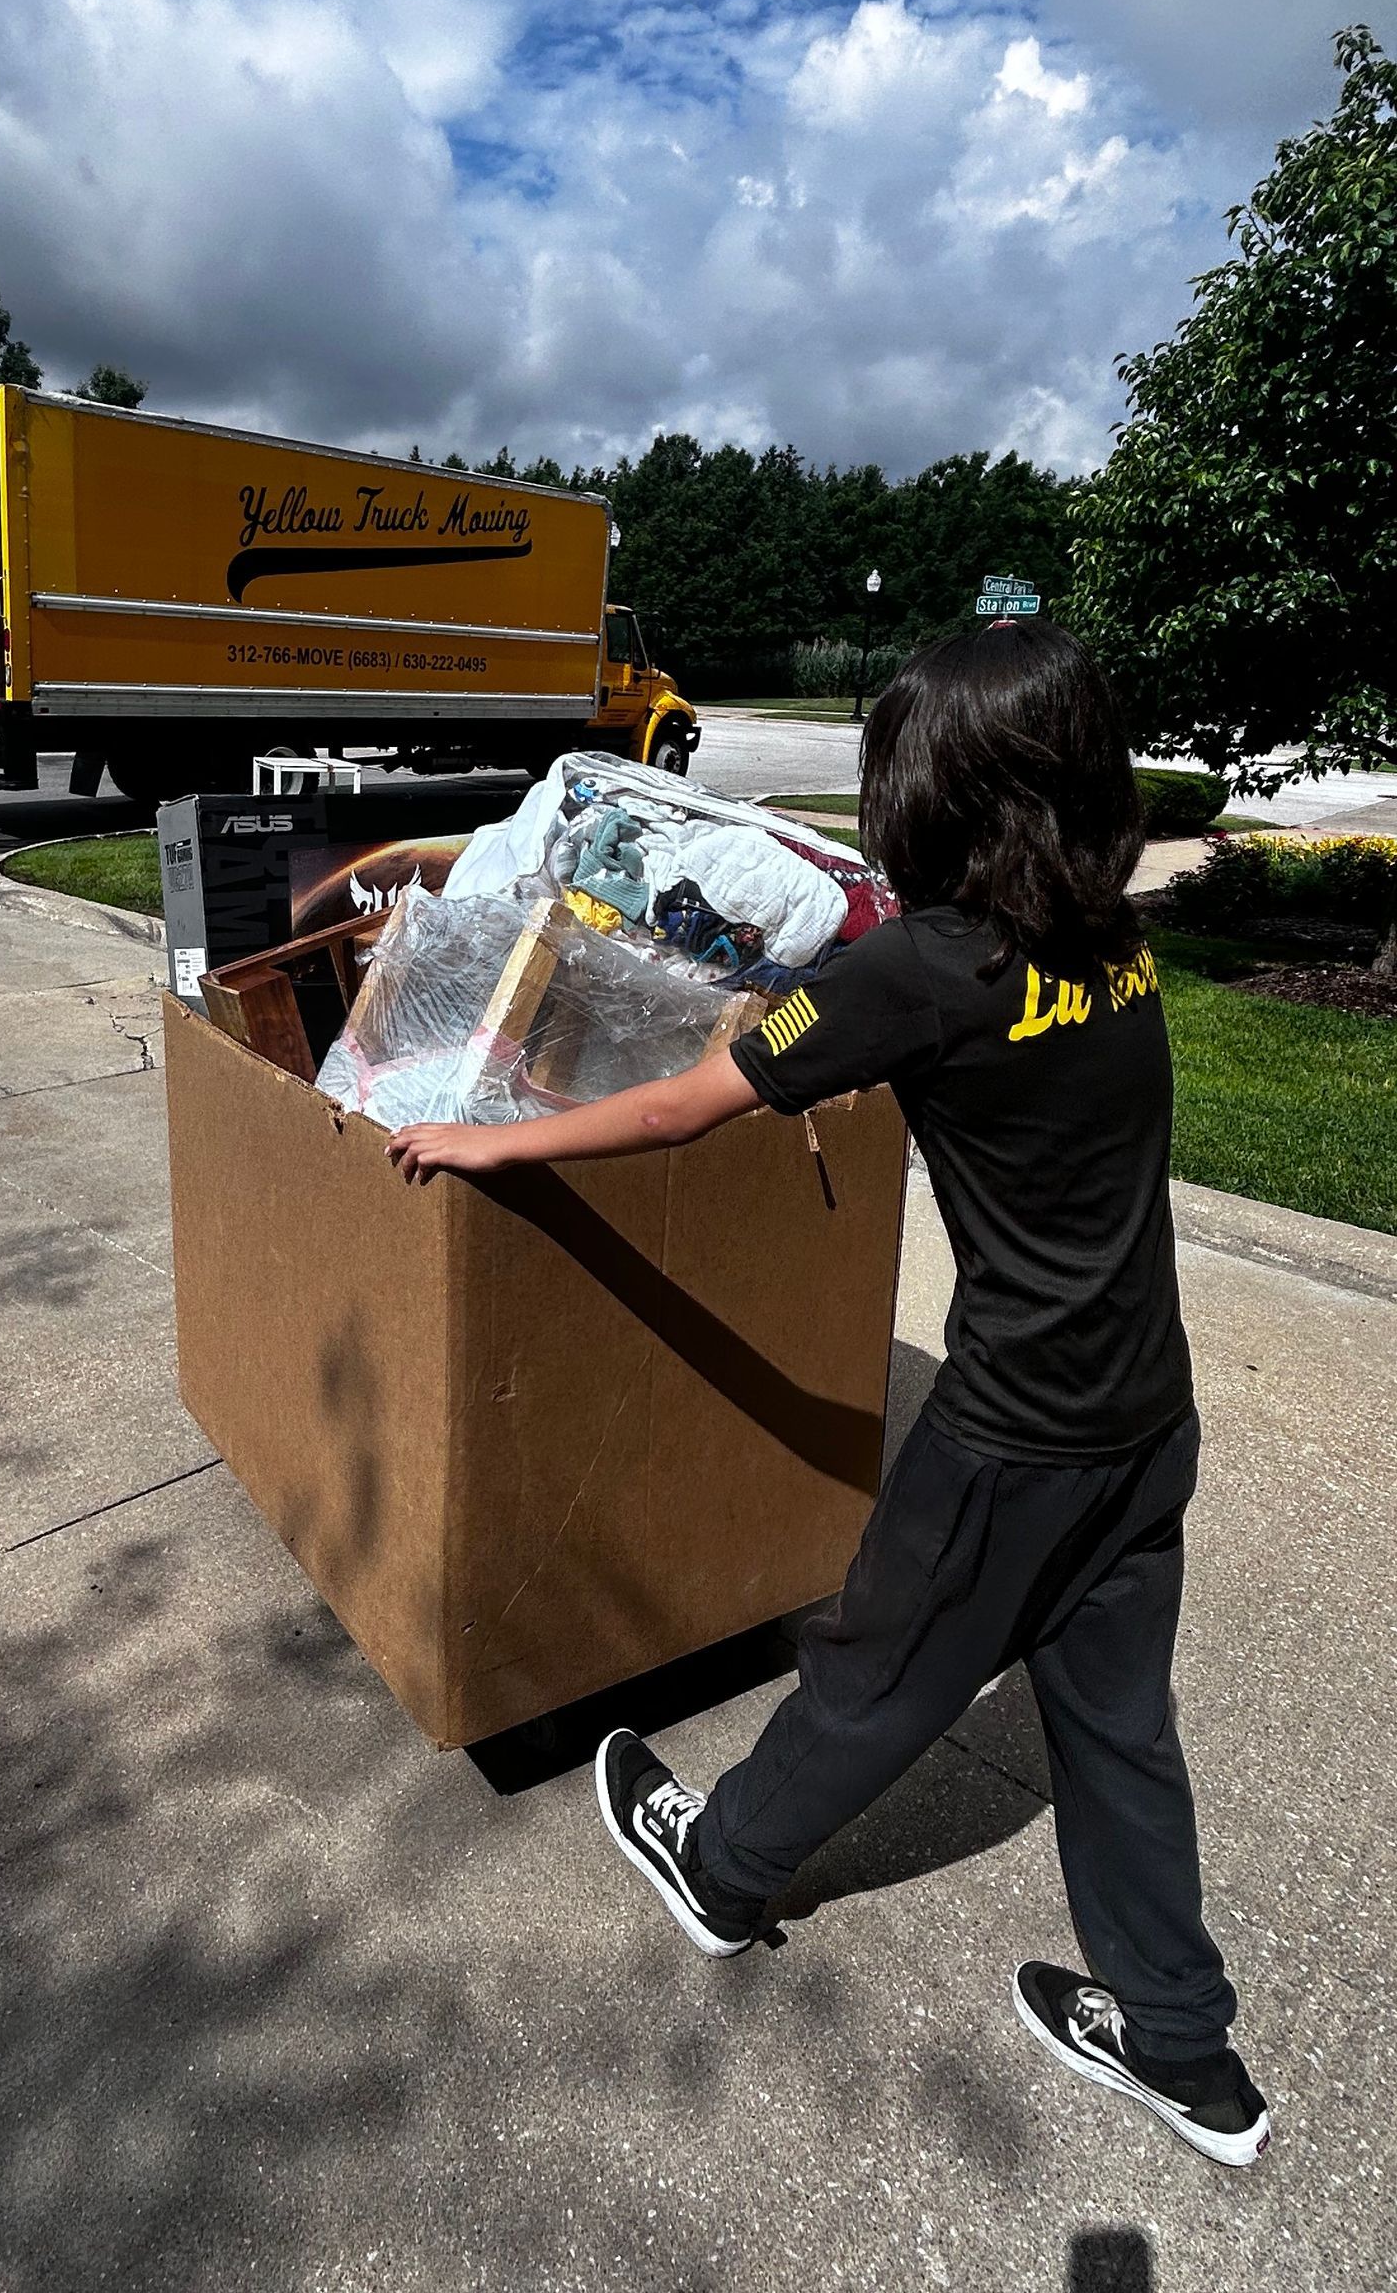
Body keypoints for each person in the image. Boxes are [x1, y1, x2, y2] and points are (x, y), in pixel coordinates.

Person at [386, 623, 1269, 2170]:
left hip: (1018, 1434)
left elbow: (678, 1105)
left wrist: (493, 1141)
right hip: (1146, 1416)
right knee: (1119, 1727)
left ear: (932, 796)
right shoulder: (1113, 941)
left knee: (880, 1671)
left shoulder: (925, 969)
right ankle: (1189, 2054)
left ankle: (721, 1870)